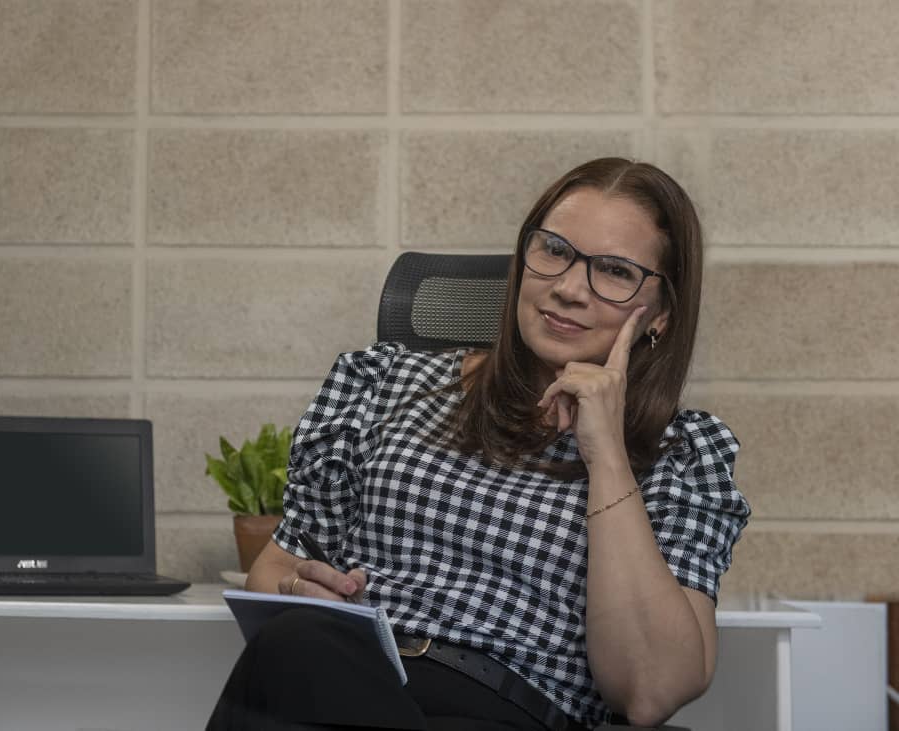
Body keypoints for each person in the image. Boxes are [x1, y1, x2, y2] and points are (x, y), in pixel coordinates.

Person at [206, 157, 751, 731]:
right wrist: (302, 589)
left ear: (661, 314)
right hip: (346, 675)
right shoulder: (384, 382)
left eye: (614, 271)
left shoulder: (680, 454)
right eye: (555, 250)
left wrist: (607, 454)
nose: (568, 288)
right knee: (295, 642)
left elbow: (650, 691)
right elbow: (278, 568)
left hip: (504, 710)